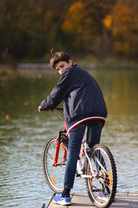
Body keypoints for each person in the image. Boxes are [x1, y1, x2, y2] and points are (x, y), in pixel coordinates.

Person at [38, 52, 107, 206]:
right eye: (58, 69)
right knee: (94, 150)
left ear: (70, 62)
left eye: (62, 66)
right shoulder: (84, 74)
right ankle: (106, 189)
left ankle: (65, 195)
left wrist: (44, 105)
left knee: (73, 150)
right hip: (99, 112)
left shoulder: (69, 73)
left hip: (79, 114)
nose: (61, 70)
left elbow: (57, 93)